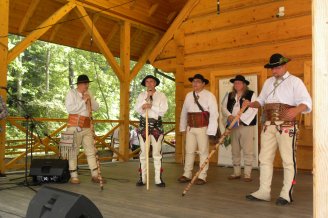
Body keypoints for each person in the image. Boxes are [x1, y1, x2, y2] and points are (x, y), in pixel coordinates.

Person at [244, 53, 312, 206]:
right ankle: (263, 191)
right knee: (264, 158)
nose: (274, 71)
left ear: (285, 66)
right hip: (268, 124)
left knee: (288, 160)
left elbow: (306, 102)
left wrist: (296, 110)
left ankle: (286, 194)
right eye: (272, 68)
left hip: (287, 125)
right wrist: (250, 104)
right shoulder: (268, 82)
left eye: (277, 68)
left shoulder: (295, 82)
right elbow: (261, 101)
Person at [178, 74, 219, 185]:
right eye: (193, 81)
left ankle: (202, 176)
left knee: (203, 152)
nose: (195, 83)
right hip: (190, 128)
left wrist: (211, 131)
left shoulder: (209, 96)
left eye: (198, 81)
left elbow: (214, 114)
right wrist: (182, 127)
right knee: (189, 151)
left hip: (203, 128)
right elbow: (184, 112)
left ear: (203, 84)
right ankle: (187, 174)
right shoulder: (188, 96)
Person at [65, 74, 103, 184]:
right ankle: (74, 176)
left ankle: (95, 175)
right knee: (73, 151)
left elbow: (96, 108)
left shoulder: (89, 93)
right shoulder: (71, 93)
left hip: (87, 126)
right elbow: (70, 109)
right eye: (85, 83)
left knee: (91, 150)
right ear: (79, 84)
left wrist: (90, 98)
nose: (87, 86)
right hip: (74, 126)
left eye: (88, 83)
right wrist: (83, 101)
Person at [222, 75, 258, 182]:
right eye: (235, 83)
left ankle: (247, 174)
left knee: (248, 149)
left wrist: (240, 120)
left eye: (239, 83)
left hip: (245, 125)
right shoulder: (229, 95)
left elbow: (254, 109)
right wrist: (229, 116)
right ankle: (236, 172)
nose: (237, 84)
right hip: (233, 125)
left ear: (244, 84)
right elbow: (223, 107)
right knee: (235, 149)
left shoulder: (251, 94)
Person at [135, 75, 168, 187]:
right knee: (143, 153)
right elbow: (138, 110)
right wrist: (144, 103)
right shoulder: (141, 95)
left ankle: (158, 179)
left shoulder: (161, 95)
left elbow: (163, 111)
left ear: (155, 83)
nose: (149, 83)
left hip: (156, 126)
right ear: (145, 84)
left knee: (156, 153)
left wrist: (151, 106)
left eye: (151, 81)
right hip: (144, 125)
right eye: (147, 81)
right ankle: (142, 178)